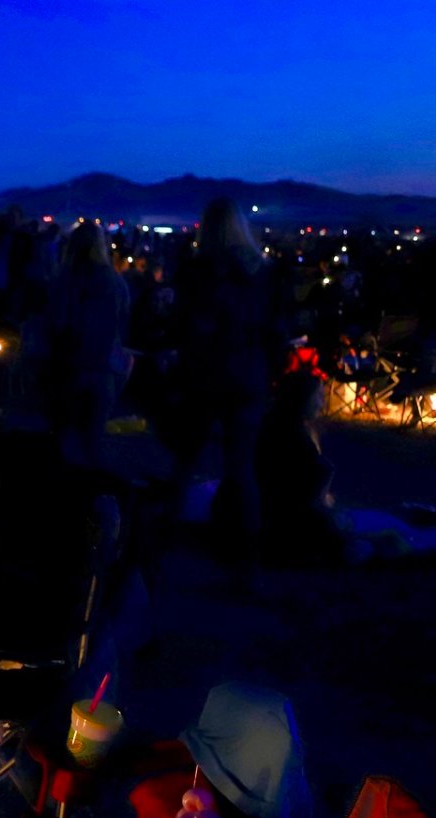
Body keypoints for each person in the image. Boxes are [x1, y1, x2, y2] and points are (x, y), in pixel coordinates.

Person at [176, 198, 281, 577]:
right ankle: (246, 563)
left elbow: (187, 323)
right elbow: (274, 326)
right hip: (248, 374)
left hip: (206, 374)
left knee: (185, 461)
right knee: (242, 468)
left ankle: (160, 555)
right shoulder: (261, 271)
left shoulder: (199, 270)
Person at [45, 221, 130, 468]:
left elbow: (56, 323)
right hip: (103, 369)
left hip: (67, 367)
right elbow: (123, 324)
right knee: (92, 442)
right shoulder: (115, 282)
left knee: (61, 440)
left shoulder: (63, 280)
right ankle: (88, 497)